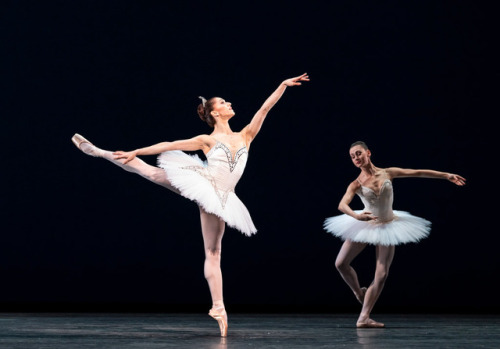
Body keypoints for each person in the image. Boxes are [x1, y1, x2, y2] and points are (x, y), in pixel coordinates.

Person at [71, 73, 309, 337]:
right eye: (223, 102)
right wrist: (137, 150)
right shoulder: (206, 140)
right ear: (215, 113)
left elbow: (265, 108)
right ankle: (100, 152)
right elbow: (169, 144)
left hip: (223, 196)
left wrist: (282, 85)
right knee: (149, 172)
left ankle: (218, 307)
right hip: (202, 182)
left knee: (214, 252)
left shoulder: (246, 135)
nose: (229, 103)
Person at [323, 141, 465, 328]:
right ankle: (359, 293)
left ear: (368, 153)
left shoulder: (388, 172)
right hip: (365, 224)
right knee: (340, 263)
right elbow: (342, 205)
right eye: (352, 156)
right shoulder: (355, 184)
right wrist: (356, 216)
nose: (356, 158)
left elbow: (417, 172)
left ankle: (363, 317)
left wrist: (446, 175)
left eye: (358, 154)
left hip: (388, 225)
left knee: (381, 274)